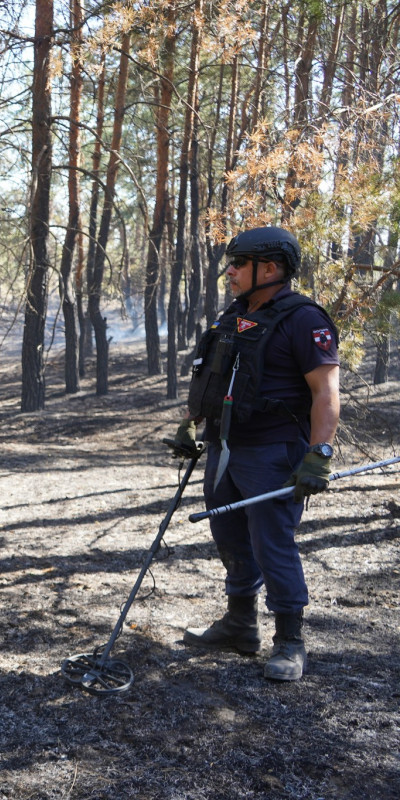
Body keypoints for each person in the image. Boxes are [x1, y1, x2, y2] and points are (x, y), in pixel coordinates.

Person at [166, 225, 340, 682]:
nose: (230, 271)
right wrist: (190, 423)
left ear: (271, 268)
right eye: (231, 263)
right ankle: (240, 624)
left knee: (272, 544)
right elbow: (213, 377)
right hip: (224, 449)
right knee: (229, 537)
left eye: (238, 263)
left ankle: (290, 642)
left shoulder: (305, 320)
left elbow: (326, 393)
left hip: (273, 454)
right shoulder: (235, 315)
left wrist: (319, 454)